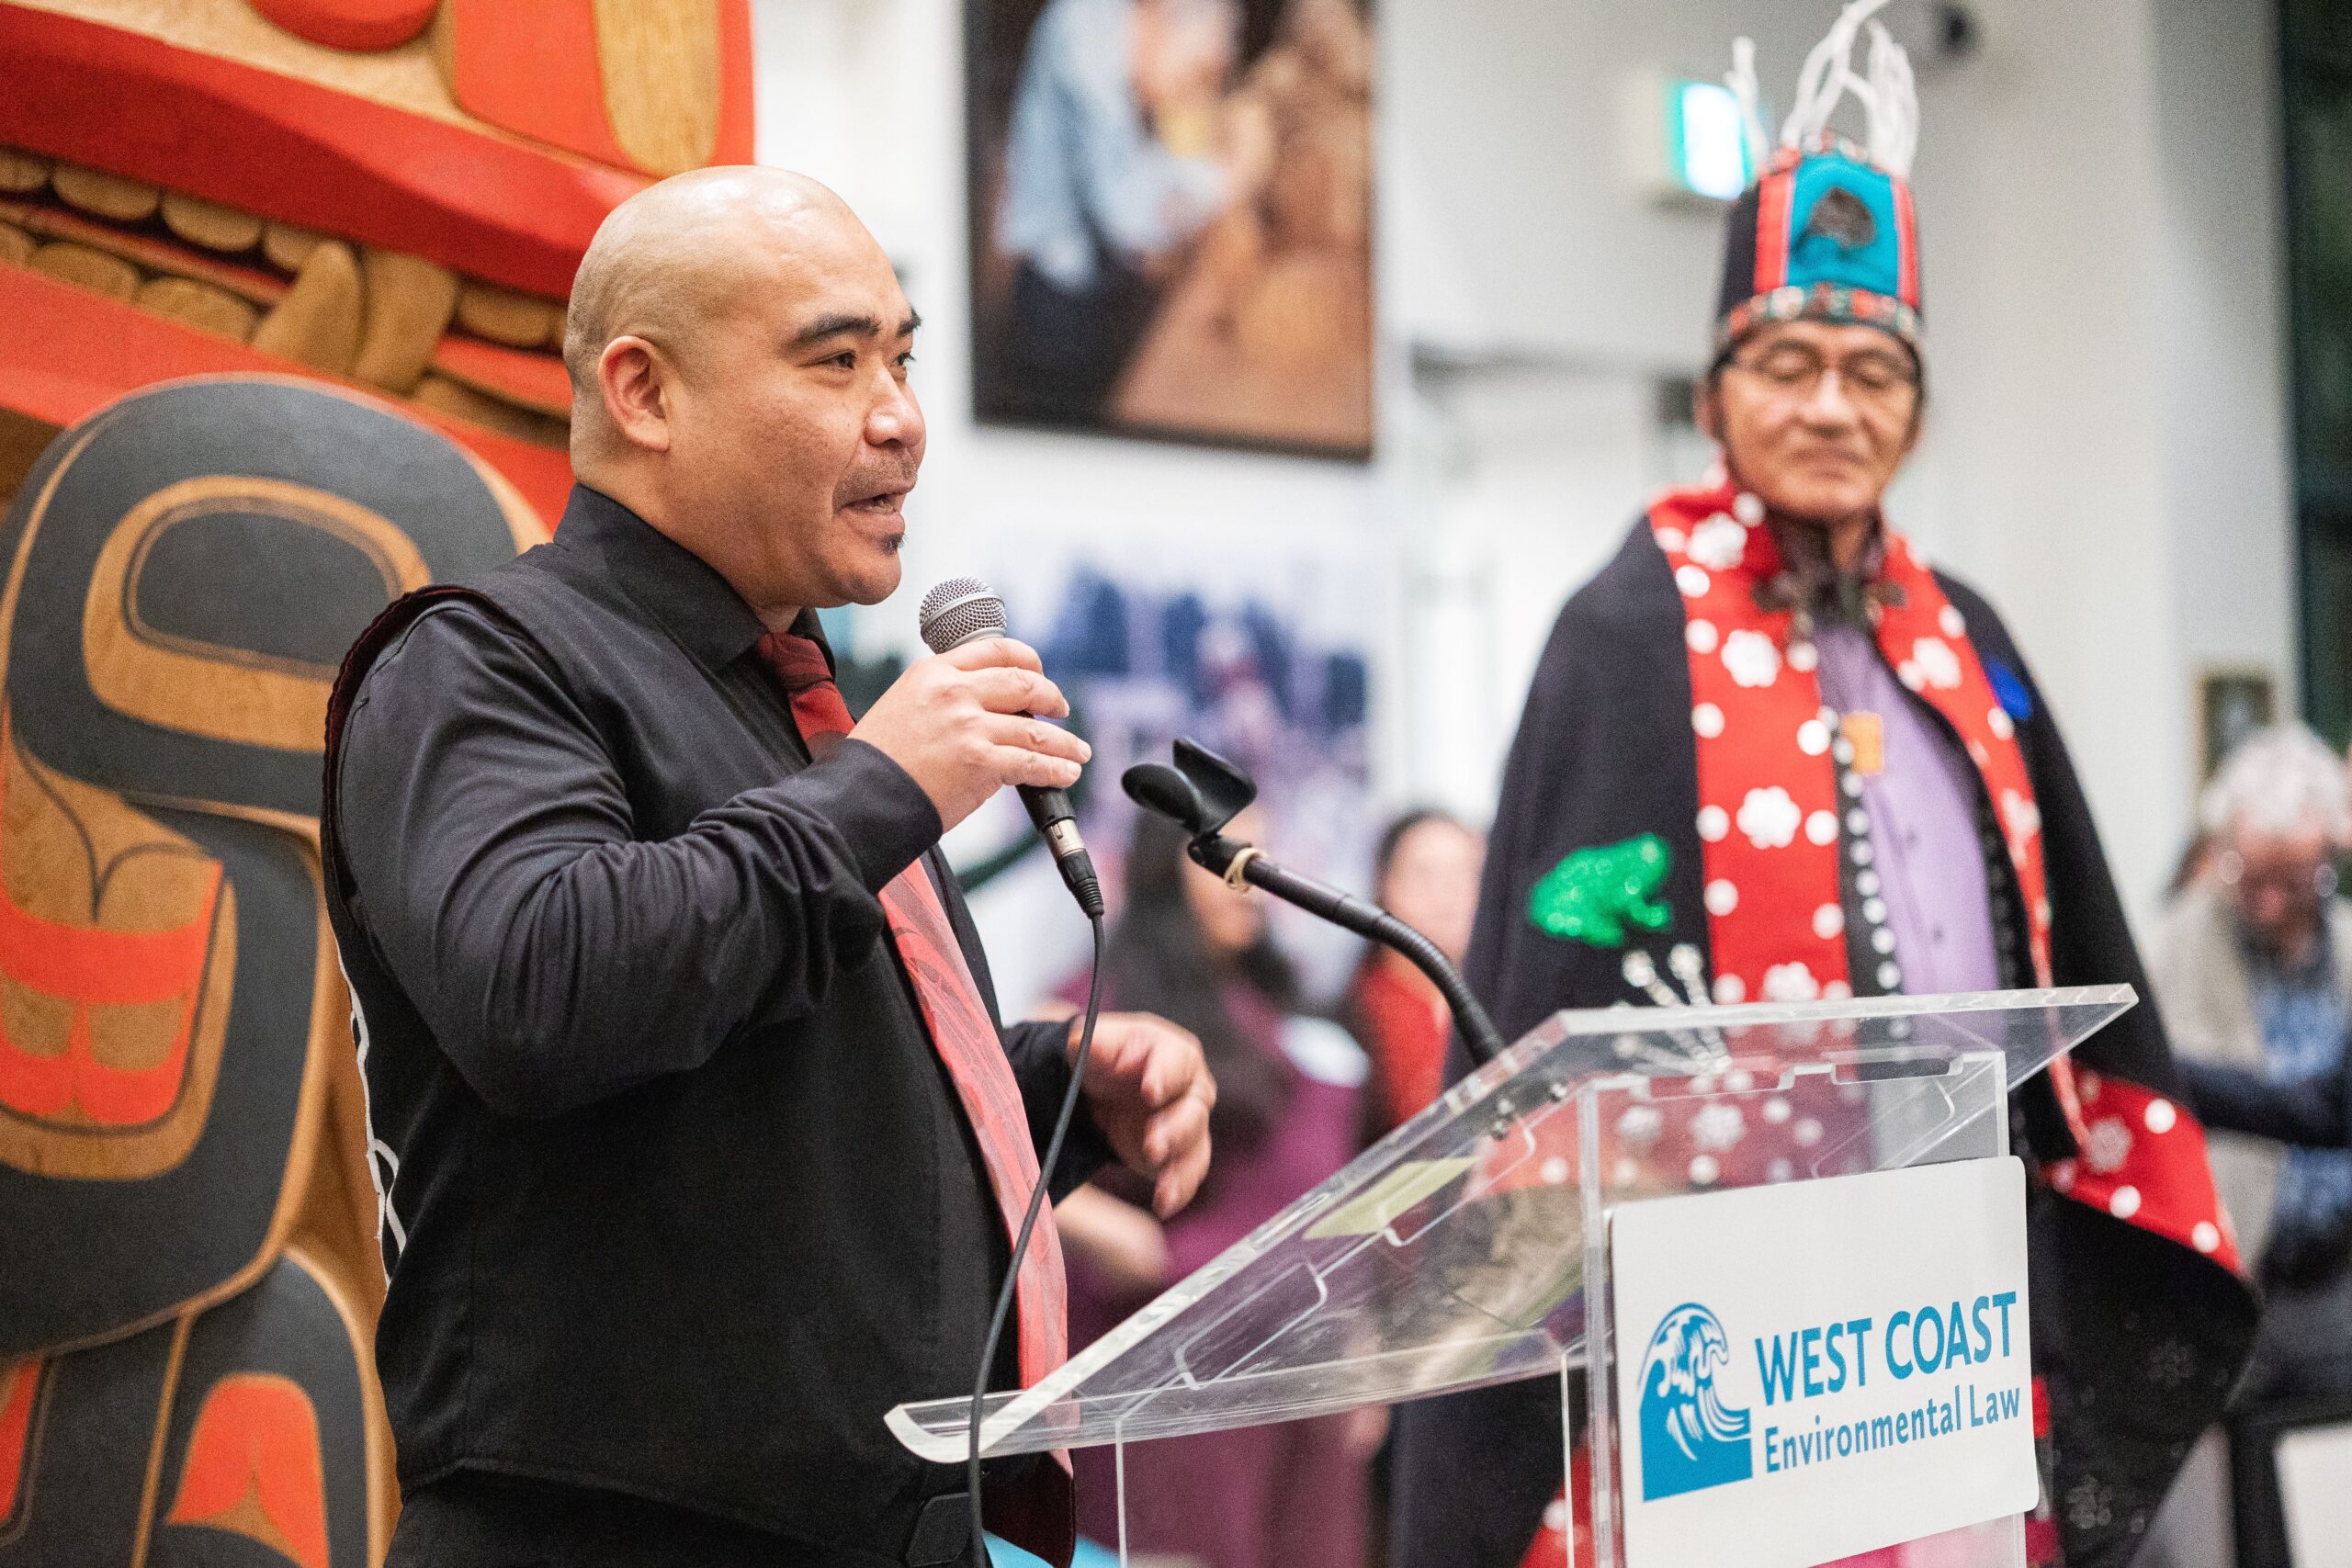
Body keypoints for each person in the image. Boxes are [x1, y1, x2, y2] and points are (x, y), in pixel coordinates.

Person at [1388, 10, 2256, 1568]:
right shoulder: (1627, 630)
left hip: (1953, 1308)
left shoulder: (1965, 637)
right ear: (1717, 395)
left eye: (1873, 370)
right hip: (1722, 1334)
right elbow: (1557, 1000)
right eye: (1786, 364)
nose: (1833, 407)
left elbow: (2067, 945)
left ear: (1917, 409)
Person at [319, 167, 1217, 1568]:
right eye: (837, 358)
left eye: (906, 357)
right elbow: (542, 987)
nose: (902, 418)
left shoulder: (794, 699)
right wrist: (878, 789)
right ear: (644, 391)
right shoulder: (484, 660)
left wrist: (1034, 1084)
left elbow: (746, 1086)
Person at [1057, 808, 1374, 1568]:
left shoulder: (1284, 1001)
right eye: (1226, 854)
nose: (1249, 875)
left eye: (1261, 851)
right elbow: (999, 1133)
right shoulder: (1108, 993)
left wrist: (1361, 1340)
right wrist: (1114, 1234)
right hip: (1179, 1372)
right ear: (1169, 865)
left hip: (1303, 1362)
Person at [2155, 724, 2352, 1398]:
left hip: (2335, 1278)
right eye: (2250, 873)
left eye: (2292, 879)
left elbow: (2328, 1111)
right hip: (2229, 1281)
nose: (2269, 898)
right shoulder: (2174, 946)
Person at [988, 0, 1272, 426]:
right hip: (1056, 308)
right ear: (1161, 13)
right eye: (1198, 71)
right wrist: (1229, 180)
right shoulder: (1086, 33)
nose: (1193, 92)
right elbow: (1128, 214)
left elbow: (1144, 172)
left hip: (1098, 285)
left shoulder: (1124, 34)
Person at [1343, 807, 1486, 1134]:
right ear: (1384, 885)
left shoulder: (1497, 1005)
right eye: (1426, 875)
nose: (1450, 892)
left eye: (1466, 873)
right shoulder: (1354, 1020)